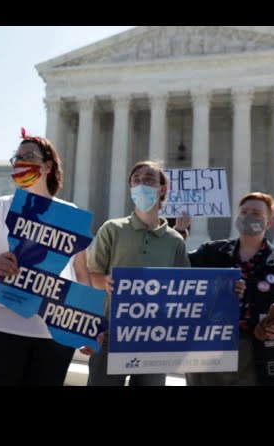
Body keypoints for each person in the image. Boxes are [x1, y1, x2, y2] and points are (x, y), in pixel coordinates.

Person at [0, 131, 92, 386]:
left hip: (54, 334)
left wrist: (87, 324)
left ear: (48, 166)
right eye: (17, 158)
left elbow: (81, 274)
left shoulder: (70, 214)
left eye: (30, 156)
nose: (21, 162)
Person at [183, 193, 274, 386]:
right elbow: (176, 269)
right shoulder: (210, 253)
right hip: (212, 346)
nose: (248, 216)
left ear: (268, 223)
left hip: (260, 352)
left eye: (256, 213)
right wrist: (180, 231)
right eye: (244, 212)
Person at [85, 160, 191, 387]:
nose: (142, 184)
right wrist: (106, 282)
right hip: (110, 333)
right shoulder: (112, 229)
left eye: (149, 180)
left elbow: (184, 289)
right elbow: (91, 276)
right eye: (136, 180)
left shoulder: (174, 240)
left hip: (154, 337)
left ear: (163, 189)